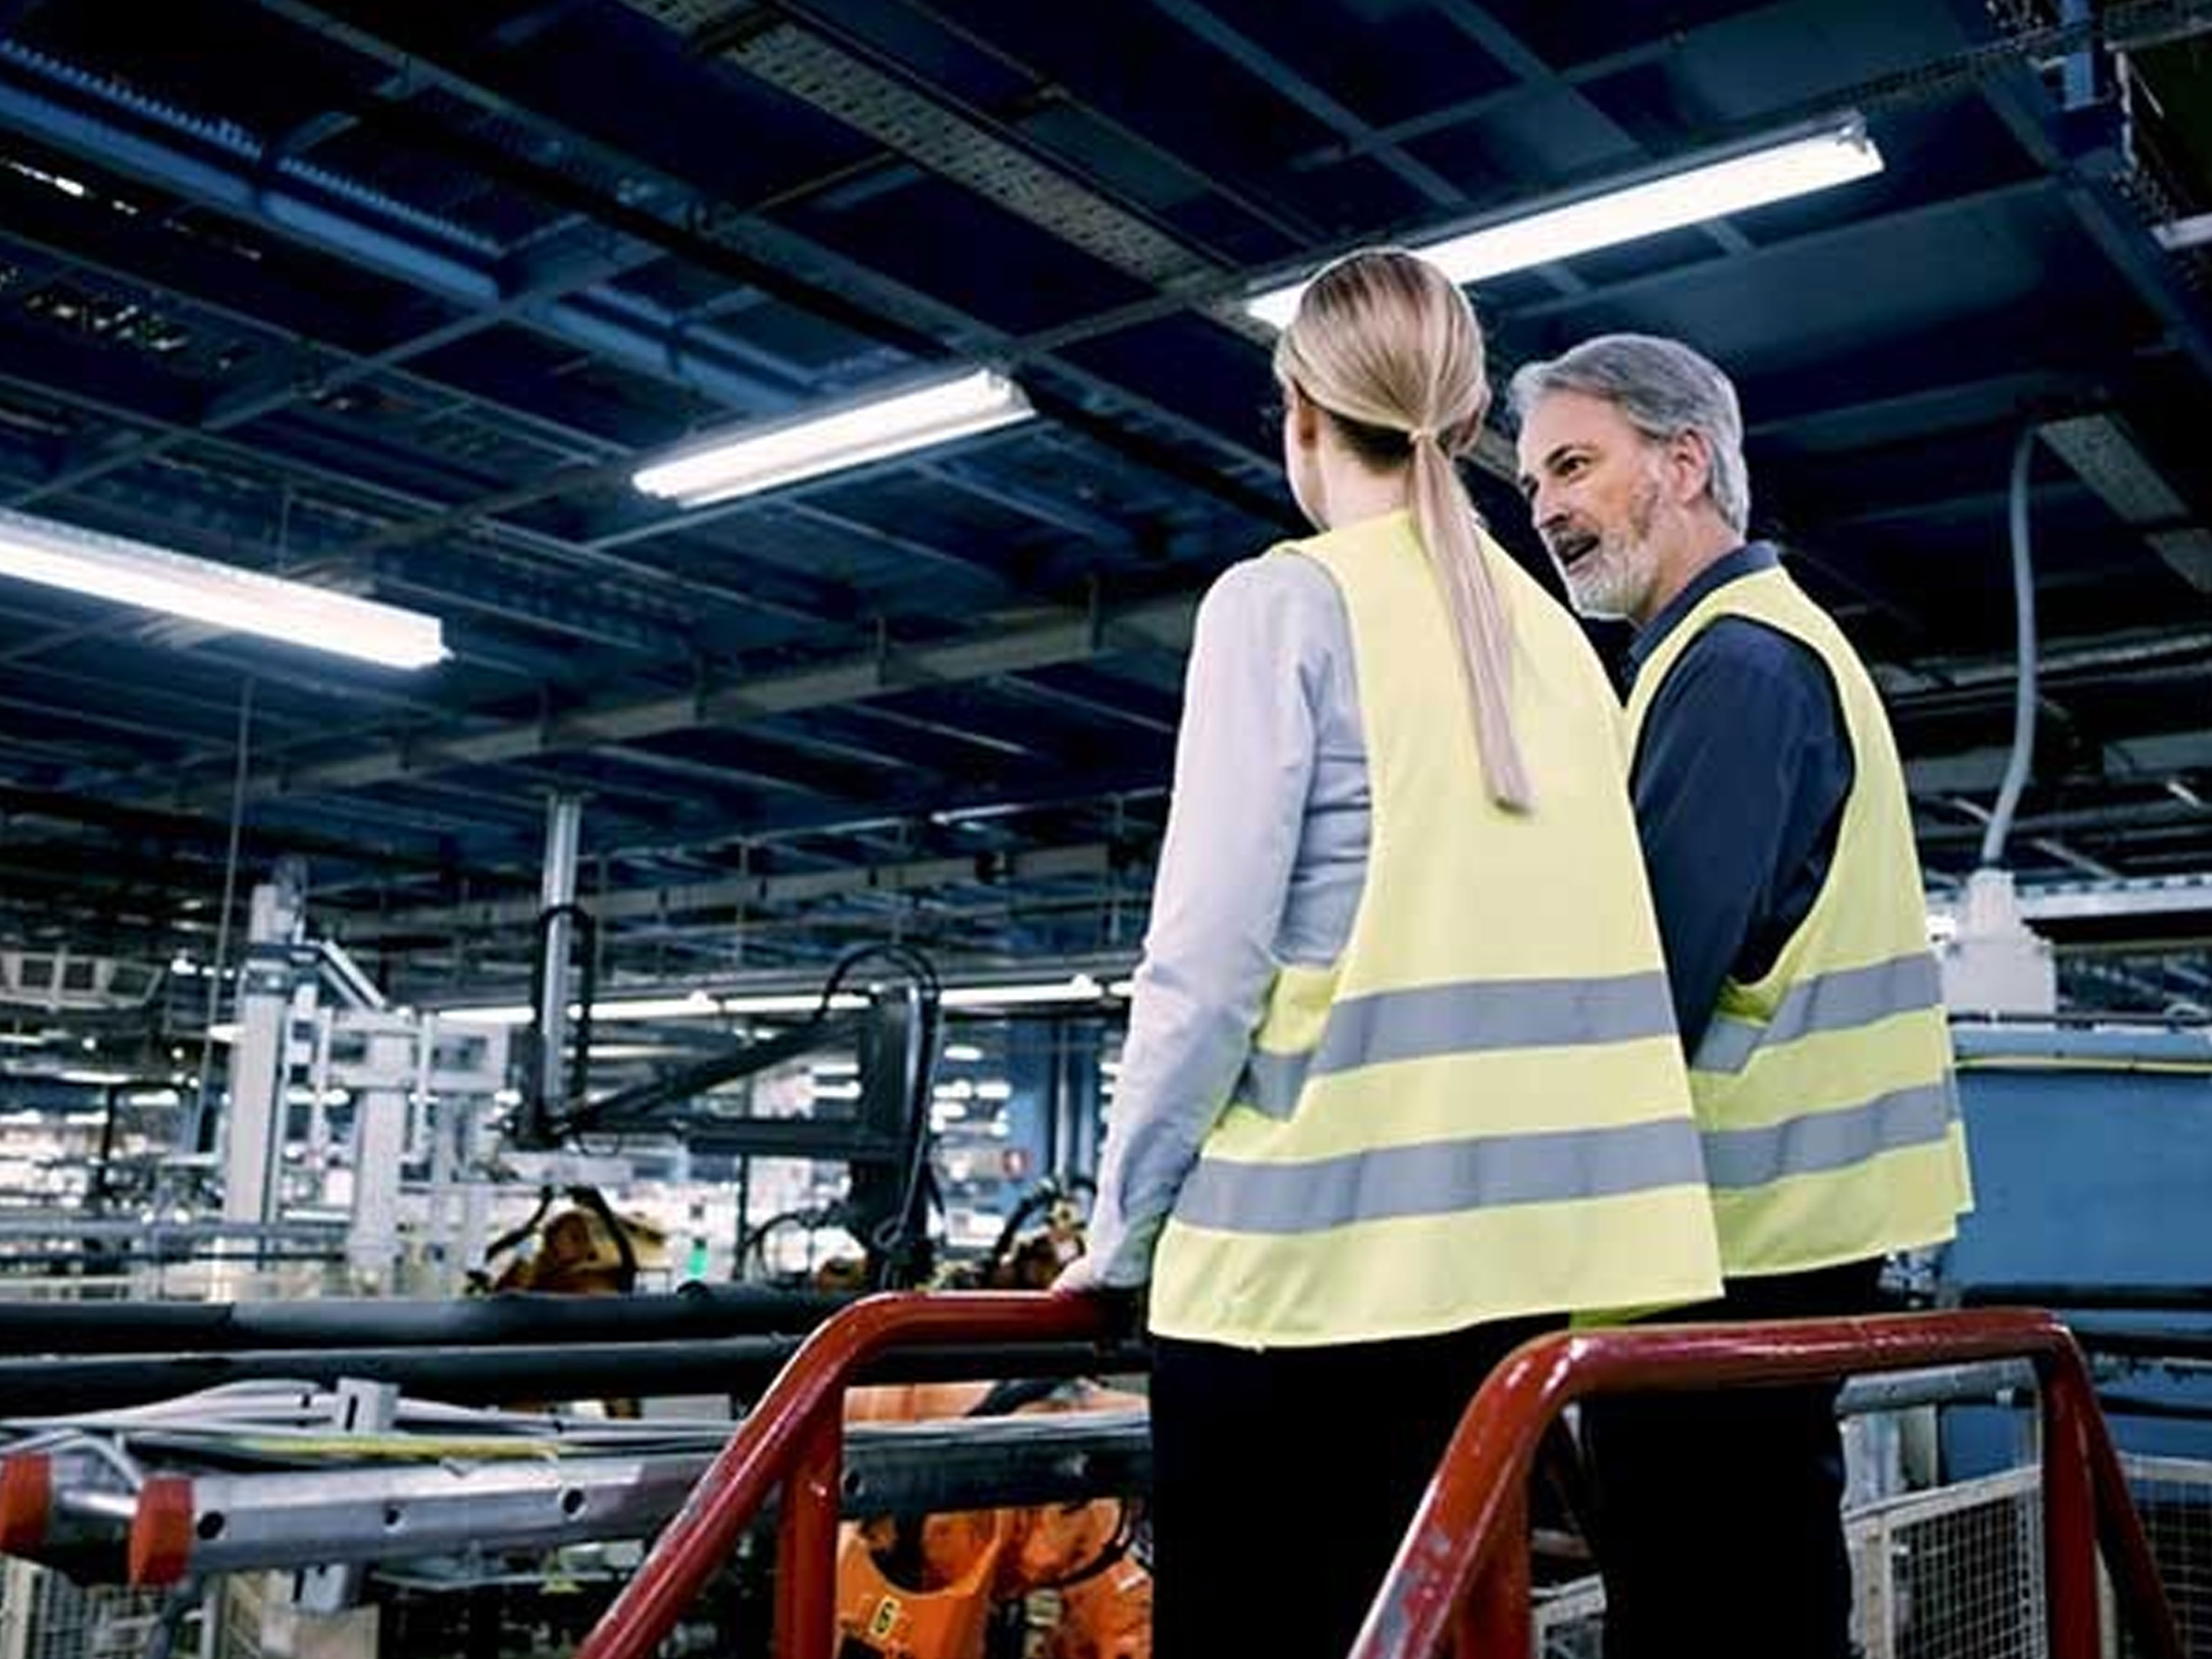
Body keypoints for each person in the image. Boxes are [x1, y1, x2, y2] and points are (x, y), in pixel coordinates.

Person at [1055, 252, 1724, 1659]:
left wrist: (1116, 1242)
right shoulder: (1557, 637)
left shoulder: (1286, 601)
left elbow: (1205, 967)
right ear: (1471, 413)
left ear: (1301, 409)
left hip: (1295, 1292)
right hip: (1510, 1296)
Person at [1509, 334, 1974, 1659]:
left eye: (1577, 464)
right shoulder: (1733, 651)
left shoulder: (1736, 665)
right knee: (1756, 1587)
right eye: (1536, 476)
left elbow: (1644, 976)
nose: (1544, 505)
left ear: (1687, 461)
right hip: (1755, 1245)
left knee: (1715, 1605)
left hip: (1726, 1250)